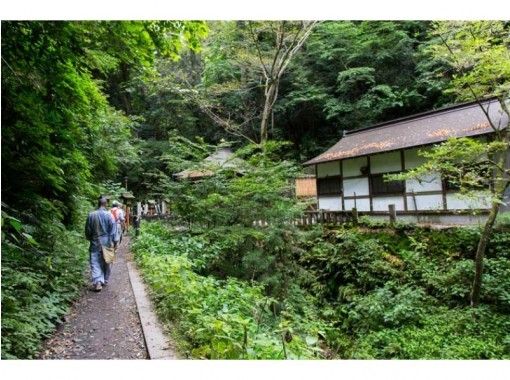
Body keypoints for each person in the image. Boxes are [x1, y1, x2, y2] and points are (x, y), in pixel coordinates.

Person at [85, 197, 114, 292]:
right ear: (105, 204)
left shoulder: (91, 215)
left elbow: (88, 230)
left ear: (98, 204)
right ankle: (104, 279)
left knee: (95, 262)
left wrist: (90, 238)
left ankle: (98, 282)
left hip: (95, 241)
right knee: (107, 261)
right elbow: (112, 230)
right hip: (107, 242)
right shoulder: (109, 215)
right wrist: (114, 241)